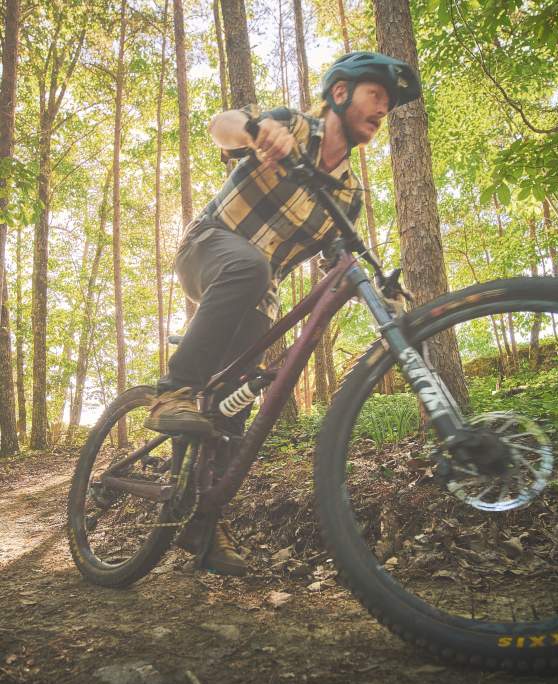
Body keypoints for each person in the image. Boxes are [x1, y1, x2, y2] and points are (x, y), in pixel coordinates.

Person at [145, 52, 421, 574]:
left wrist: (386, 294)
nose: (384, 109)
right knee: (250, 266)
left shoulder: (349, 194)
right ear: (341, 93)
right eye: (376, 95)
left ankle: (202, 526)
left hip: (253, 298)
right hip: (208, 248)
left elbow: (340, 260)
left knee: (235, 405)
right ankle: (171, 390)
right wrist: (256, 132)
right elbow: (219, 126)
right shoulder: (293, 126)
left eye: (390, 103)